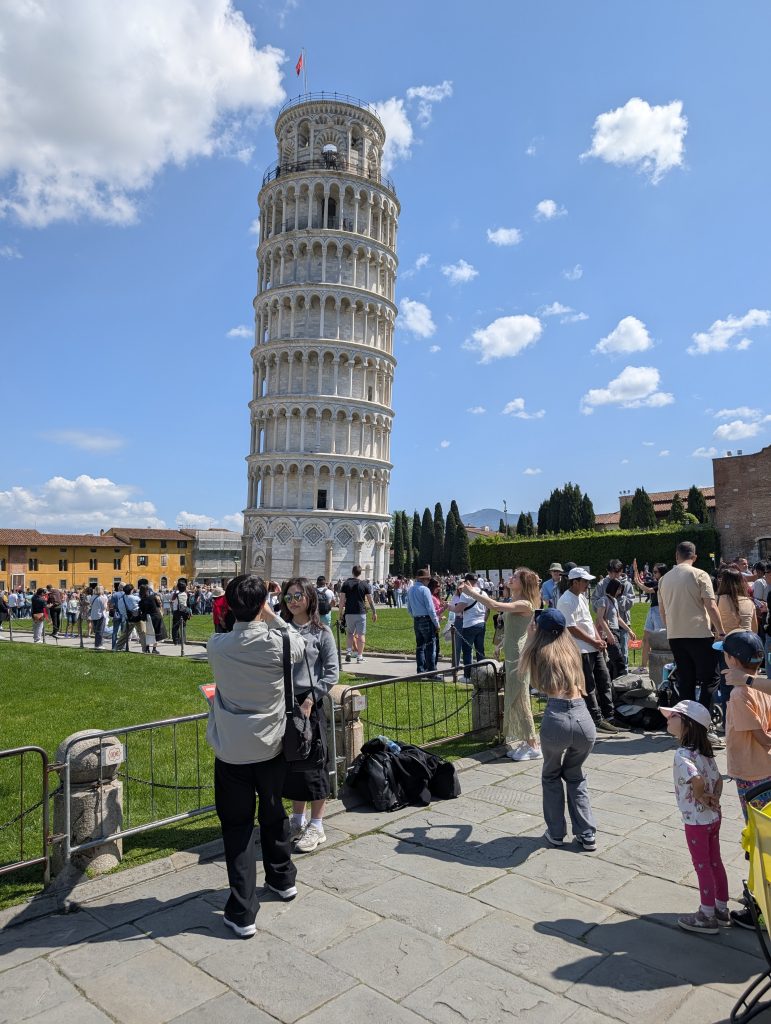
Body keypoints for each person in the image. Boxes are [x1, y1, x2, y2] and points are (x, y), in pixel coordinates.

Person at [206, 574, 305, 937]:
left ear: (230, 606)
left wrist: (253, 611)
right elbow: (298, 641)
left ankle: (243, 910)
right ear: (263, 604)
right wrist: (270, 614)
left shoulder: (217, 646)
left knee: (238, 827)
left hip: (233, 750)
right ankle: (282, 878)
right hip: (272, 745)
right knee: (274, 812)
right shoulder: (281, 643)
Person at [519, 608, 597, 851]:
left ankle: (555, 833)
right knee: (575, 774)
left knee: (551, 774)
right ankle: (587, 833)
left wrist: (530, 636)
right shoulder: (572, 650)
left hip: (557, 718)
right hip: (583, 718)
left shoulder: (538, 651)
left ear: (540, 630)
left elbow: (521, 667)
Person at [279, 577, 339, 853]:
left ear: (310, 598)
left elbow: (332, 673)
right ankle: (297, 819)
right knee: (292, 764)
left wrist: (311, 700)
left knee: (313, 765)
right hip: (285, 702)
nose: (293, 601)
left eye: (298, 596)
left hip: (309, 703)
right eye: (288, 597)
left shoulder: (321, 632)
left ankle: (317, 825)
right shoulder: (281, 630)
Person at [660, 699, 729, 934]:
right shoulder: (706, 753)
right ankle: (721, 908)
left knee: (702, 865)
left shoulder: (683, 754)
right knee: (715, 861)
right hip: (713, 817)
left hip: (696, 821)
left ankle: (706, 915)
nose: (668, 719)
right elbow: (718, 780)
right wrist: (714, 798)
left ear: (687, 724)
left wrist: (700, 796)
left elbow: (696, 779)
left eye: (673, 716)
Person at [462, 568, 541, 760]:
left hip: (519, 656)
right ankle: (525, 742)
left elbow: (494, 605)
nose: (510, 578)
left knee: (521, 699)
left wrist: (472, 592)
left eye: (515, 577)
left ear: (524, 583)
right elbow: (514, 629)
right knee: (514, 699)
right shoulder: (515, 600)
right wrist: (500, 645)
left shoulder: (525, 603)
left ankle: (533, 745)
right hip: (513, 654)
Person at [658, 542, 726, 738]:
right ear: (694, 557)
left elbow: (662, 612)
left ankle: (686, 723)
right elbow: (711, 605)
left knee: (685, 680)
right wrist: (721, 631)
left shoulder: (663, 580)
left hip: (675, 635)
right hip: (699, 634)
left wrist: (671, 627)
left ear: (676, 556)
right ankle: (701, 722)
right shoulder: (700, 574)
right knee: (710, 678)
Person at [557, 568, 620, 734]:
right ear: (575, 582)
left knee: (604, 680)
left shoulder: (582, 597)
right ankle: (595, 719)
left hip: (593, 646)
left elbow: (589, 621)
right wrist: (594, 641)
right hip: (580, 649)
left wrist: (598, 638)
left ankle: (610, 716)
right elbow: (571, 628)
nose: (587, 584)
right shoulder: (566, 600)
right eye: (585, 581)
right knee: (588, 685)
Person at [592, 560, 635, 668]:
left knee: (623, 654)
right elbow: (594, 602)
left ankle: (623, 675)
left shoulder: (627, 584)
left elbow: (629, 604)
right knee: (608, 655)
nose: (613, 575)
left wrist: (618, 598)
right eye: (610, 572)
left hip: (622, 623)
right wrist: (605, 603)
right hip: (606, 627)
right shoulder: (601, 584)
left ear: (621, 571)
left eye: (616, 573)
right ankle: (610, 675)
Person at [594, 578, 637, 680]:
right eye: (618, 589)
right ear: (613, 588)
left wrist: (629, 630)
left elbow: (618, 618)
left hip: (616, 631)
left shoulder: (614, 601)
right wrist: (609, 634)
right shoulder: (603, 600)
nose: (620, 591)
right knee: (619, 661)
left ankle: (612, 682)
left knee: (613, 661)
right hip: (608, 632)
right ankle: (619, 682)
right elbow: (600, 618)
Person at [450, 573, 489, 681]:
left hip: (469, 624)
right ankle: (483, 675)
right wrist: (483, 620)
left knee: (467, 651)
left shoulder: (466, 594)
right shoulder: (483, 593)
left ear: (467, 582)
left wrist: (450, 607)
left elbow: (458, 609)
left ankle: (467, 676)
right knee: (480, 650)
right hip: (481, 623)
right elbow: (487, 609)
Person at [631, 560, 667, 675]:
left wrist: (638, 580)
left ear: (661, 572)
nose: (653, 573)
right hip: (652, 610)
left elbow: (648, 590)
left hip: (660, 612)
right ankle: (643, 667)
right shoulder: (656, 582)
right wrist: (636, 570)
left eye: (655, 572)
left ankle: (662, 667)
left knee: (659, 639)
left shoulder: (664, 583)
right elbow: (640, 583)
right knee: (646, 639)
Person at [338, 565, 377, 664]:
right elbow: (370, 600)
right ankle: (360, 656)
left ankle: (348, 652)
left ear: (352, 572)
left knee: (350, 633)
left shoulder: (346, 584)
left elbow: (341, 601)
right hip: (360, 612)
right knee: (361, 635)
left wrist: (340, 613)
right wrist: (374, 612)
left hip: (349, 612)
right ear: (361, 573)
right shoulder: (364, 584)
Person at [405, 569, 440, 673]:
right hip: (427, 619)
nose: (429, 581)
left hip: (417, 619)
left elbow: (409, 608)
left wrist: (416, 616)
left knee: (420, 647)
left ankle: (420, 670)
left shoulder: (410, 589)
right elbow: (430, 609)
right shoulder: (425, 590)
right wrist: (436, 623)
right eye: (428, 579)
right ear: (424, 579)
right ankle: (431, 672)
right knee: (430, 647)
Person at [716, 568, 758, 635]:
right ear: (741, 583)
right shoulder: (749, 602)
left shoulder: (716, 600)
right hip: (746, 639)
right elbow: (755, 630)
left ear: (723, 582)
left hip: (724, 639)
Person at [138, 583, 166, 654]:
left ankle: (147, 648)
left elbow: (142, 610)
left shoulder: (141, 601)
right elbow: (158, 605)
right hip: (156, 616)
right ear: (147, 590)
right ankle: (154, 649)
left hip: (148, 617)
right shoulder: (153, 597)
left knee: (148, 633)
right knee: (157, 633)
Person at [171, 579, 191, 644]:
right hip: (185, 611)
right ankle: (183, 640)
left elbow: (172, 600)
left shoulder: (176, 594)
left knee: (175, 627)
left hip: (177, 611)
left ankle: (176, 640)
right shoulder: (186, 594)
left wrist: (175, 590)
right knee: (183, 626)